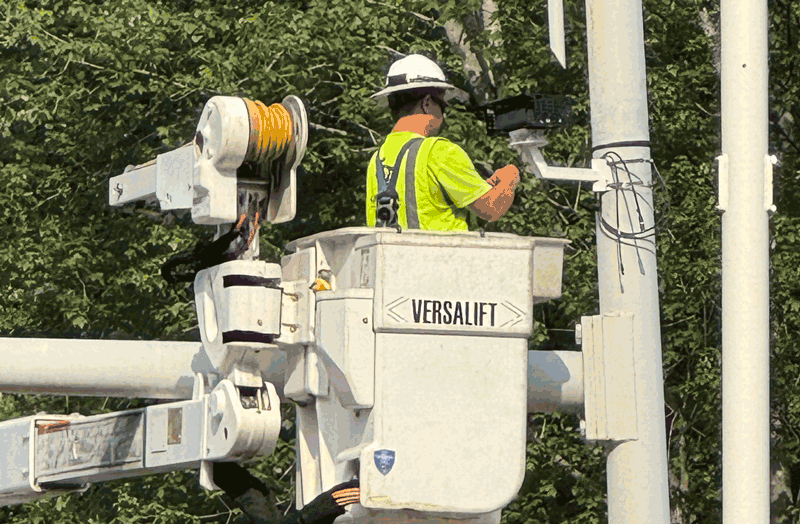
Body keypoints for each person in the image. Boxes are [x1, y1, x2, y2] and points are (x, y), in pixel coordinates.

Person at [366, 54, 520, 231]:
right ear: (427, 103)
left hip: (393, 257)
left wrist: (480, 187)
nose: (443, 114)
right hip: (442, 257)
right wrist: (510, 177)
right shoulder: (439, 151)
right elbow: (491, 208)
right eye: (443, 105)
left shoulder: (377, 159)